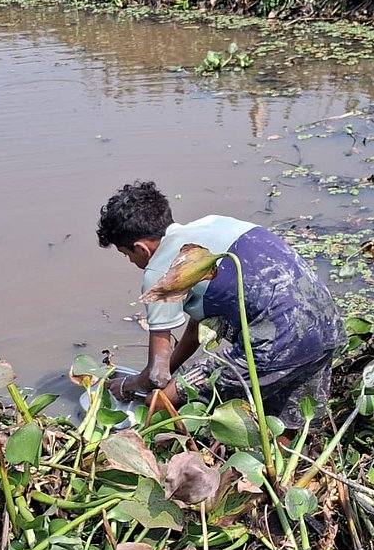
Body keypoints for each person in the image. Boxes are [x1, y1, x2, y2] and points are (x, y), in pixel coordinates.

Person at [96, 181, 345, 429]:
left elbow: (156, 376)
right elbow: (199, 325)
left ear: (141, 248)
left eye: (126, 254)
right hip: (326, 324)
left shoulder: (161, 271)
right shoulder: (212, 224)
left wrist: (127, 387)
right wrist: (172, 368)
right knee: (291, 424)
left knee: (160, 402)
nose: (130, 261)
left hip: (274, 343)